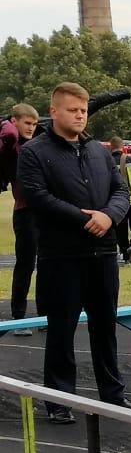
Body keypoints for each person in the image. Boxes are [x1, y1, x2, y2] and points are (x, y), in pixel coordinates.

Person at [18, 83, 131, 423]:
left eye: (83, 109)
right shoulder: (35, 152)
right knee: (62, 330)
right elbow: (39, 197)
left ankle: (113, 395)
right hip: (62, 257)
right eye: (73, 109)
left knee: (105, 329)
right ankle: (58, 401)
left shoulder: (98, 151)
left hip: (102, 256)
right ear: (54, 111)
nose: (80, 115)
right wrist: (86, 219)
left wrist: (109, 216)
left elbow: (121, 191)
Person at [0, 103, 39, 332]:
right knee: (25, 264)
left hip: (45, 211)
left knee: (46, 263)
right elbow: (8, 133)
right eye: (27, 123)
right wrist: (7, 122)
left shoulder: (34, 145)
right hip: (24, 212)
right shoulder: (9, 145)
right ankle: (18, 317)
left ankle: (45, 315)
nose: (32, 128)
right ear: (14, 121)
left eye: (34, 124)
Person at [109, 136, 131, 265]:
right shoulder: (130, 159)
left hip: (117, 202)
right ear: (122, 146)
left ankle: (125, 254)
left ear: (110, 147)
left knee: (120, 229)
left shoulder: (107, 162)